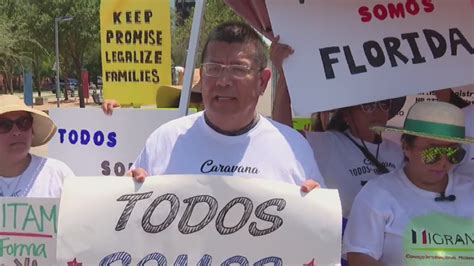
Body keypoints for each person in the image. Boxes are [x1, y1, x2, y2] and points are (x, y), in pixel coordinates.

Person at [131, 21, 324, 192]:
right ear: (203, 75)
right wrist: (127, 191)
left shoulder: (294, 149)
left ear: (262, 82)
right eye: (214, 68)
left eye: (238, 70)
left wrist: (315, 207)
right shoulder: (163, 142)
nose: (223, 81)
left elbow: (320, 228)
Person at [270, 37, 404, 223]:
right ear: (347, 115)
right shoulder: (329, 143)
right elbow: (285, 134)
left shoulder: (398, 152)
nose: (378, 112)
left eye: (384, 104)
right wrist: (284, 76)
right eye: (367, 106)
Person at [343, 101, 474, 266]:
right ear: (406, 147)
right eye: (433, 152)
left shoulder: (470, 191)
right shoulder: (377, 194)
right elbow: (360, 256)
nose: (443, 163)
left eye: (453, 153)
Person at [0, 95, 74, 197]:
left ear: (32, 131)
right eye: (4, 125)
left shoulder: (58, 175)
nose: (16, 132)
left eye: (24, 122)